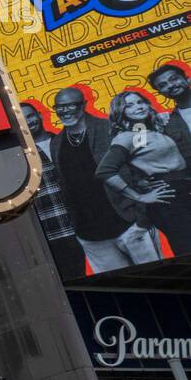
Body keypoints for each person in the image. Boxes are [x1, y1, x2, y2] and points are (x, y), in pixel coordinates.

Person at [49, 86, 161, 273]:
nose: (65, 111)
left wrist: (141, 216)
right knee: (122, 291)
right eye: (60, 106)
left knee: (160, 278)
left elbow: (138, 169)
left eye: (71, 105)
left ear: (84, 104)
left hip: (129, 224)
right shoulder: (56, 143)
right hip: (91, 235)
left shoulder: (109, 128)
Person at [96, 90, 191, 259]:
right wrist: (140, 197)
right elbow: (105, 171)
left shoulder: (156, 127)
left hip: (185, 189)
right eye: (129, 106)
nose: (138, 107)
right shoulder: (126, 137)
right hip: (169, 198)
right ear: (121, 112)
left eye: (140, 102)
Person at [20, 102, 85, 281]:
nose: (29, 121)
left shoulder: (66, 141)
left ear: (40, 115)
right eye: (22, 118)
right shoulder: (22, 157)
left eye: (31, 115)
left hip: (87, 229)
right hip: (54, 233)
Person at [148, 62, 191, 163]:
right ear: (161, 92)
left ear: (187, 79)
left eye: (174, 79)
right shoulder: (167, 123)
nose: (171, 85)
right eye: (163, 85)